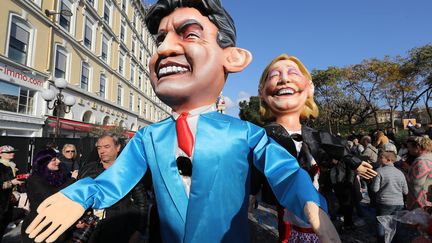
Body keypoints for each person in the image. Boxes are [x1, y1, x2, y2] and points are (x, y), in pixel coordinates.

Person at [26, 1, 340, 242]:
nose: (165, 48)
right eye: (160, 39)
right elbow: (113, 180)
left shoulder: (245, 133)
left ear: (232, 58)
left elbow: (284, 171)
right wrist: (77, 197)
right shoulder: (148, 137)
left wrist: (310, 202)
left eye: (189, 34)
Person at [256, 54, 377, 241]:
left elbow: (336, 145)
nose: (284, 79)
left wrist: (355, 163)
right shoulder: (264, 135)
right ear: (261, 91)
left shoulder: (314, 135)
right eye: (274, 76)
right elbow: (256, 168)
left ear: (310, 87)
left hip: (316, 196)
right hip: (286, 202)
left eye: (293, 73)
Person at [75, 133, 147, 243]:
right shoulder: (87, 170)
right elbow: (77, 197)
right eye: (99, 148)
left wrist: (139, 231)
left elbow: (141, 202)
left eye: (107, 147)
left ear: (118, 147)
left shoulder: (128, 171)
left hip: (121, 228)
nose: (102, 151)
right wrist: (79, 218)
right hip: (91, 230)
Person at [21, 148, 74, 242]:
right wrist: (72, 180)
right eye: (54, 160)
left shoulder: (57, 176)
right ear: (44, 163)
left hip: (56, 224)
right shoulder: (35, 179)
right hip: (38, 224)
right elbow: (52, 196)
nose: (58, 161)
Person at [371, 151, 408, 243]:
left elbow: (375, 189)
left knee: (381, 223)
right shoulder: (400, 173)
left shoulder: (379, 171)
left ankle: (381, 241)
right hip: (399, 203)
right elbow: (406, 191)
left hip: (384, 202)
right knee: (394, 224)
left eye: (381, 157)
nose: (379, 159)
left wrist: (371, 183)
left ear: (388, 159)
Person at [0, 145, 24, 237]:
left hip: (8, 198)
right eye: (9, 152)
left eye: (13, 152)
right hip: (2, 200)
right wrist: (11, 182)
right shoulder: (1, 166)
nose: (12, 153)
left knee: (5, 221)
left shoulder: (12, 165)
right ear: (1, 154)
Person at [406, 135, 432, 210]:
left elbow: (416, 186)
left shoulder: (421, 161)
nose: (408, 149)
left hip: (422, 204)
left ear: (417, 146)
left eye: (409, 147)